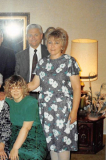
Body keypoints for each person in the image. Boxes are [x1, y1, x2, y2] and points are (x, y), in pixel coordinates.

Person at [28, 28, 81, 160]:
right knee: (51, 144)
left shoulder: (69, 61)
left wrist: (74, 111)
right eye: (50, 42)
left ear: (63, 45)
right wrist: (14, 88)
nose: (52, 46)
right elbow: (34, 84)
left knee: (62, 145)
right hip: (46, 110)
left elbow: (76, 88)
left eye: (56, 43)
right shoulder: (42, 62)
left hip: (64, 111)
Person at [4, 75, 47, 160]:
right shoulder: (7, 100)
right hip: (15, 132)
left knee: (33, 155)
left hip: (33, 133)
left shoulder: (31, 102)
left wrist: (15, 148)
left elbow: (26, 128)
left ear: (23, 88)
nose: (15, 91)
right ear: (9, 89)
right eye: (12, 88)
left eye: (18, 88)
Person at [15, 24, 49, 99]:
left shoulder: (49, 53)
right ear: (26, 37)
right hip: (26, 95)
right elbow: (16, 77)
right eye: (30, 35)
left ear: (41, 36)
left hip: (46, 95)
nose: (33, 38)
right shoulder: (19, 56)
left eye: (36, 35)